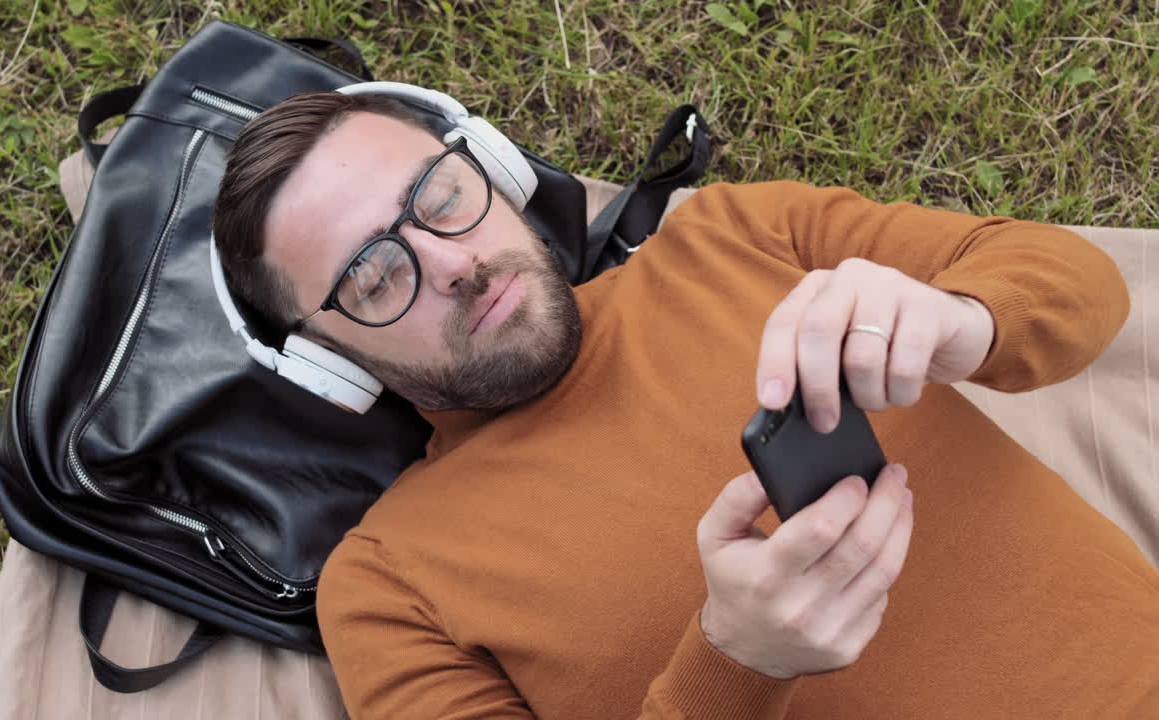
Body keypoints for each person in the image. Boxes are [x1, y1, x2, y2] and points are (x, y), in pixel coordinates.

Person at [211, 90, 1159, 719]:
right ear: (328, 359)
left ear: (494, 174)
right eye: (374, 276)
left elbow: (1077, 282)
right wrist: (736, 664)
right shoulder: (386, 584)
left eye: (439, 194)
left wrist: (960, 321)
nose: (452, 262)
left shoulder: (730, 232)